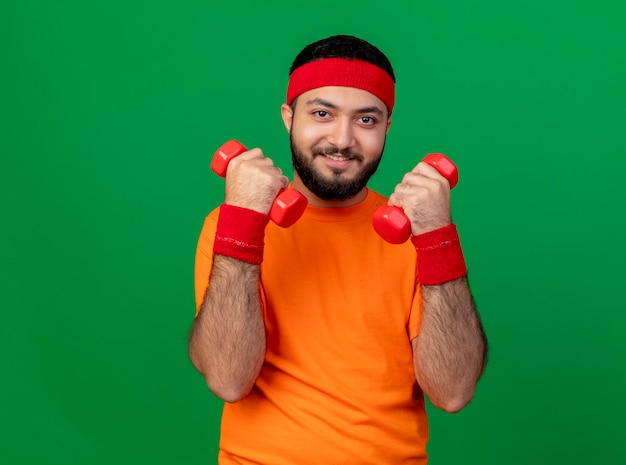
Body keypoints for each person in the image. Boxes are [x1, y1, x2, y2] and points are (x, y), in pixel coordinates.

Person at [189, 34, 488, 464]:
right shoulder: (229, 226)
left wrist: (437, 238)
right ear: (288, 118)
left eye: (366, 120)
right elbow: (227, 379)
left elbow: (454, 391)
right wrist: (243, 223)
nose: (343, 139)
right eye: (322, 113)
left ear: (387, 127)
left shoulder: (421, 235)